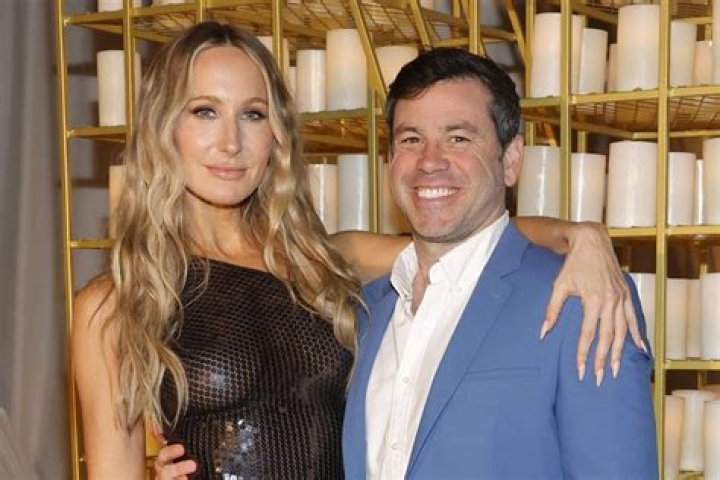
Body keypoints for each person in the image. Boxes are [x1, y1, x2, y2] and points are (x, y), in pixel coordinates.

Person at [75, 22, 641, 480]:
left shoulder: (320, 261)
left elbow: (467, 239)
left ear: (275, 134)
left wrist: (581, 236)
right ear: (163, 128)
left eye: (253, 114)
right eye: (204, 111)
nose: (231, 142)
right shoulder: (115, 305)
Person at [341, 48, 657, 479]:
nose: (429, 161)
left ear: (511, 160)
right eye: (411, 139)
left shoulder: (580, 301)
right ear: (391, 160)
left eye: (459, 138)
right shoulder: (366, 310)